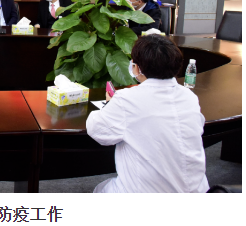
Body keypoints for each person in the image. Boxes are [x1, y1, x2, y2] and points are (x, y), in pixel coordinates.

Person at [86, 35, 209, 193]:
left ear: (136, 68)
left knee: (101, 190)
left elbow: (96, 130)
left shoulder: (127, 99)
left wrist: (111, 104)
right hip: (199, 193)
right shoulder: (189, 97)